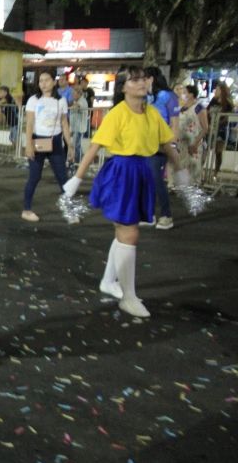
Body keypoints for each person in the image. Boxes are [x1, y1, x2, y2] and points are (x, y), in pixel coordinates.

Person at [64, 66, 188, 318]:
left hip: (141, 173)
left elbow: (167, 145)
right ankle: (128, 297)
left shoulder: (152, 113)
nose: (142, 82)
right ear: (123, 87)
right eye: (135, 79)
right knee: (129, 234)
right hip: (121, 174)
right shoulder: (117, 113)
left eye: (144, 78)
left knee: (124, 233)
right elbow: (94, 147)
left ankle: (109, 281)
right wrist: (75, 180)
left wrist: (181, 172)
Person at [21, 70, 74, 222]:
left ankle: (69, 211)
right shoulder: (33, 100)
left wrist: (69, 145)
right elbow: (29, 124)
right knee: (34, 177)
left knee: (63, 177)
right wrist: (28, 144)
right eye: (41, 81)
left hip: (56, 141)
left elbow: (64, 124)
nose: (43, 84)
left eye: (47, 80)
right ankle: (27, 209)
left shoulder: (61, 101)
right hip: (37, 141)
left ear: (54, 82)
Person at [144, 66, 180, 229]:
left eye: (143, 78)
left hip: (162, 144)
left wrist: (171, 144)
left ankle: (166, 215)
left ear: (151, 78)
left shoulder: (168, 96)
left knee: (156, 179)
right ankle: (149, 214)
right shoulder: (148, 97)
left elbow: (174, 123)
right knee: (149, 179)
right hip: (148, 144)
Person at [177, 85, 208, 184]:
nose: (183, 94)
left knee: (193, 168)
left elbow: (205, 128)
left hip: (193, 144)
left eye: (185, 92)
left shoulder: (199, 108)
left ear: (191, 94)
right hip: (181, 144)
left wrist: (195, 143)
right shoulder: (181, 108)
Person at [208, 82, 235, 180]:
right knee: (207, 149)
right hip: (210, 128)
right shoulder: (213, 100)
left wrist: (218, 124)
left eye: (218, 90)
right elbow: (207, 111)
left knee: (218, 152)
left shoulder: (227, 103)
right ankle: (206, 172)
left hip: (221, 131)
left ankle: (215, 172)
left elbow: (228, 117)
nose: (216, 91)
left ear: (222, 91)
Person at [69, 86, 89, 164]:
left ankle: (78, 160)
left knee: (77, 145)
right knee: (76, 145)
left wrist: (70, 107)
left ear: (79, 94)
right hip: (75, 127)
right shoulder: (76, 101)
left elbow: (78, 106)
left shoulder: (82, 101)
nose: (72, 95)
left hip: (80, 128)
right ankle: (80, 159)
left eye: (74, 94)